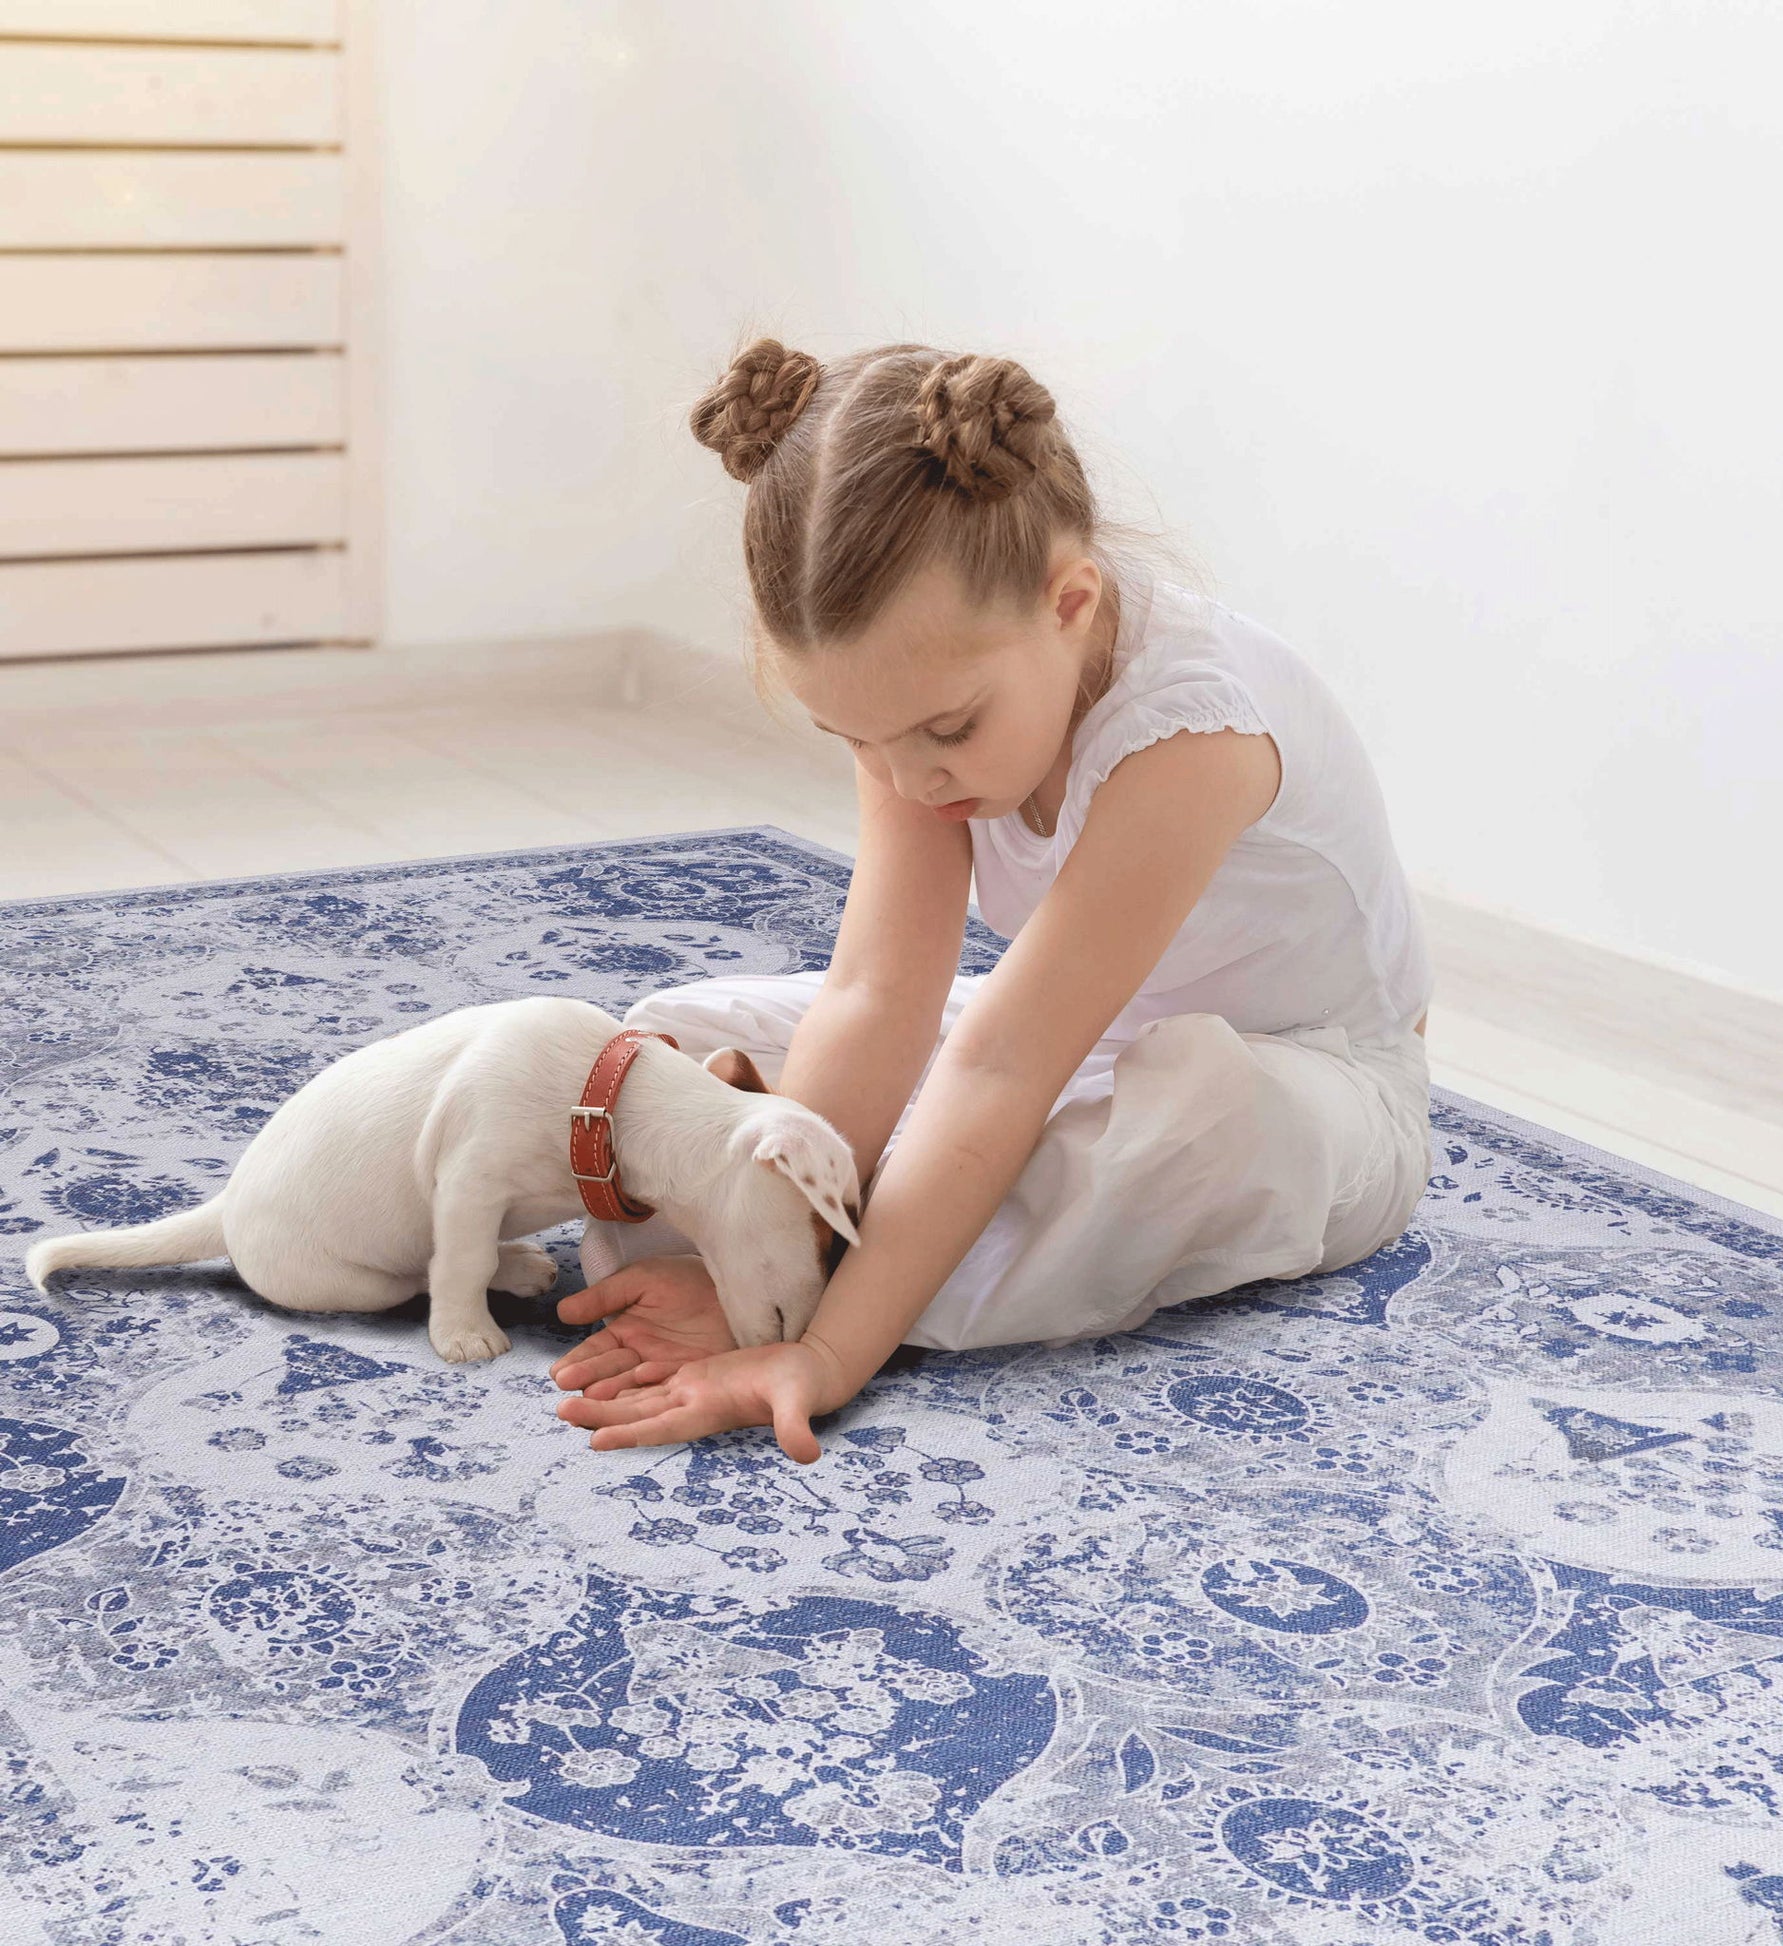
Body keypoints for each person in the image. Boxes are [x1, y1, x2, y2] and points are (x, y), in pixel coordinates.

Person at [551, 340, 1434, 1460]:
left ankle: (836, 1278)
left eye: (947, 732)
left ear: (1071, 602)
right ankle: (816, 1253)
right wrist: (766, 1238)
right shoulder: (912, 712)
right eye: (856, 740)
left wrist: (819, 1348)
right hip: (1070, 1031)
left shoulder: (1194, 734)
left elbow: (1004, 1064)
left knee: (1190, 1123)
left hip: (1311, 1083)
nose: (909, 779)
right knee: (671, 1038)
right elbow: (878, 993)